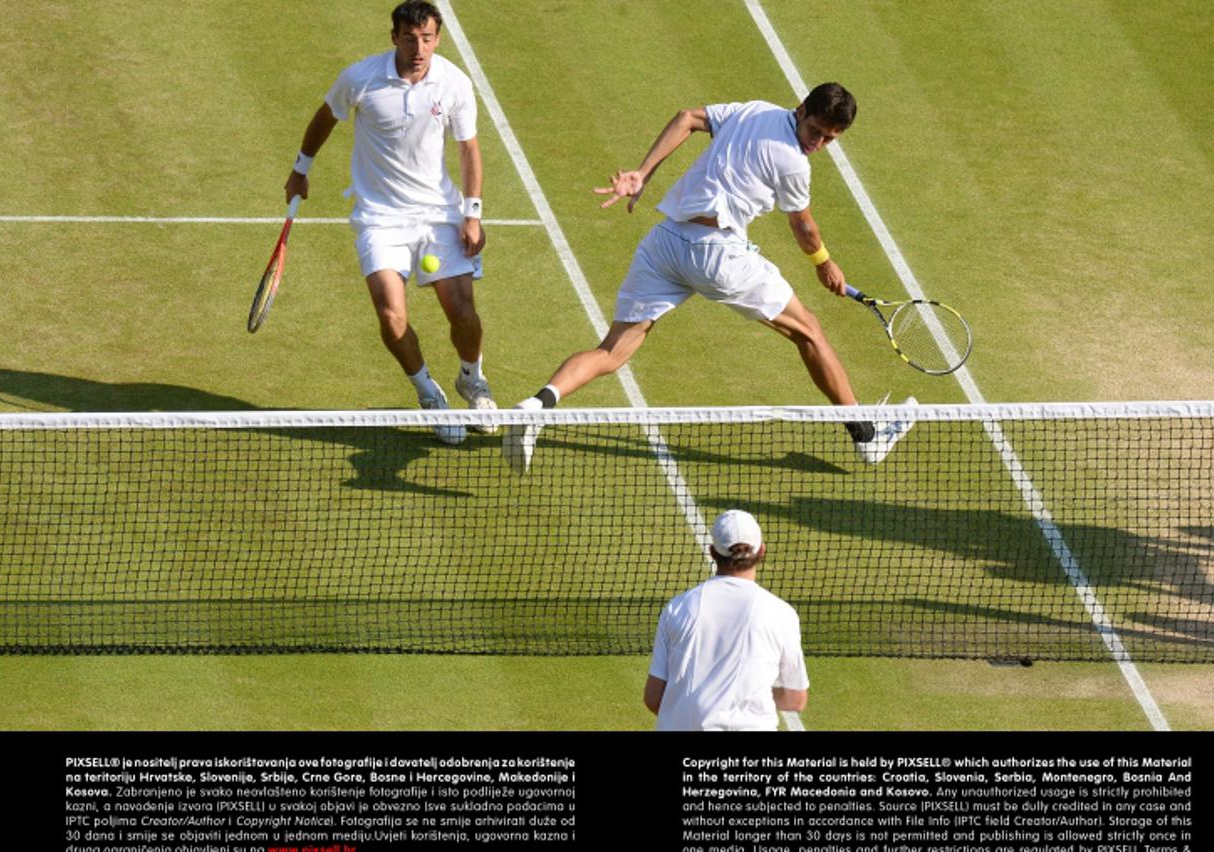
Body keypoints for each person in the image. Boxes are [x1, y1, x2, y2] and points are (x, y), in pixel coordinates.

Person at [502, 82, 914, 473]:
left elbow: (688, 118)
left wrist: (643, 173)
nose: (817, 143)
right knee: (809, 331)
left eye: (829, 139)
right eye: (815, 131)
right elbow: (802, 225)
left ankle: (537, 406)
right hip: (718, 256)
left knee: (612, 351)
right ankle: (867, 437)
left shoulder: (755, 110)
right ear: (801, 110)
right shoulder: (794, 165)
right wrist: (824, 263)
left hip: (666, 244)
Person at [285, 1, 494, 445]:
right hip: (380, 218)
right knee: (391, 316)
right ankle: (429, 394)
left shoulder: (454, 83)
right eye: (410, 38)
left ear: (438, 39)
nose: (419, 49)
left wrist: (472, 213)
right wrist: (300, 169)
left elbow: (468, 150)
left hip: (438, 214)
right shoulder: (360, 78)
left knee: (463, 314)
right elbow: (326, 117)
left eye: (427, 39)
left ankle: (472, 380)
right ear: (394, 37)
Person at [644, 510, 808, 731]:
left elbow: (653, 698)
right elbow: (795, 699)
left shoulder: (677, 608)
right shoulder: (781, 614)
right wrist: (749, 693)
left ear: (712, 552)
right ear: (761, 550)